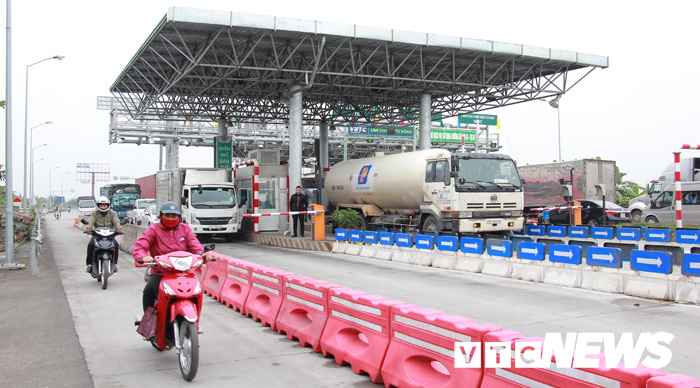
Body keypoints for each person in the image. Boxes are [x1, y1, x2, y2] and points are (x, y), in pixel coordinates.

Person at [132, 201, 212, 313]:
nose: (170, 218)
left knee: (196, 292)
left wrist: (203, 255)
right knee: (148, 291)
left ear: (179, 217)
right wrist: (143, 256)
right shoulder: (154, 229)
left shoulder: (185, 229)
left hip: (182, 273)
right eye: (167, 215)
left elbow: (196, 247)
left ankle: (194, 320)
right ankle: (148, 322)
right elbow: (140, 246)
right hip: (160, 272)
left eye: (173, 216)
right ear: (161, 216)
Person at [85, 196, 123, 273]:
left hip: (110, 235)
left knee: (115, 245)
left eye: (104, 205)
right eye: (101, 205)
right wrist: (88, 228)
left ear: (108, 205)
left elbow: (116, 222)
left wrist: (119, 229)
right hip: (97, 234)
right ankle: (90, 265)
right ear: (98, 205)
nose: (103, 207)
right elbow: (91, 221)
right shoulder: (94, 213)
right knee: (91, 244)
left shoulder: (113, 213)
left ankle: (114, 264)